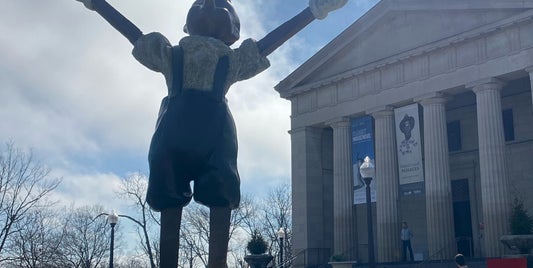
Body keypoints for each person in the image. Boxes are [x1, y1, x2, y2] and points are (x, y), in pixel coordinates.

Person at [71, 0, 346, 267]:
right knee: (170, 200)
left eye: (224, 6)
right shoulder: (171, 53)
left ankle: (218, 262)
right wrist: (99, 4)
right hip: (189, 138)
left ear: (234, 34)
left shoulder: (231, 59)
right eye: (199, 3)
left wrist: (313, 11)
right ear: (186, 27)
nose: (211, 4)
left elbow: (267, 45)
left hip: (207, 140)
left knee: (220, 196)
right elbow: (135, 36)